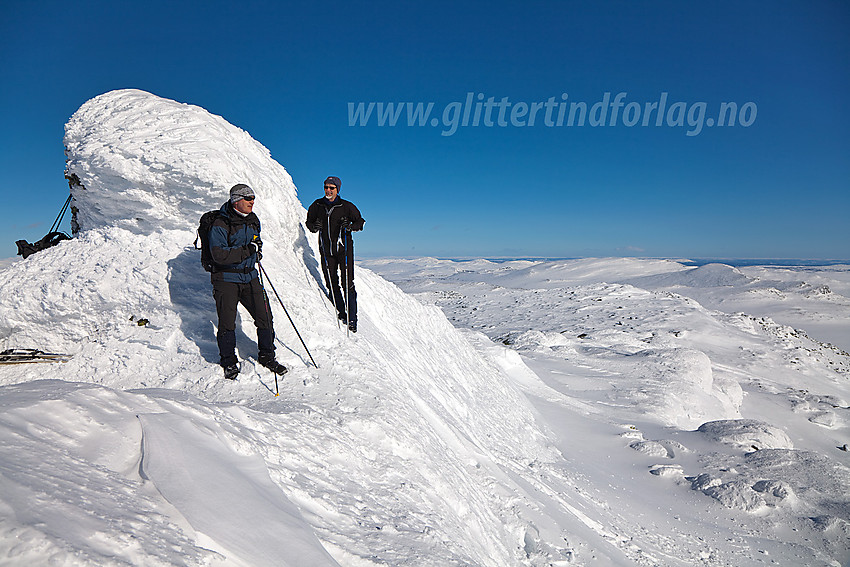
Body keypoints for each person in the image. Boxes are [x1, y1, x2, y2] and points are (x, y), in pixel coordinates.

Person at [208, 183, 287, 379]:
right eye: (248, 198)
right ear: (236, 200)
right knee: (227, 322)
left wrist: (256, 250)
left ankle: (267, 356)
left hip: (250, 276)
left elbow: (255, 242)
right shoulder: (220, 223)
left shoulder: (253, 220)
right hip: (226, 279)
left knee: (265, 316)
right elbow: (219, 255)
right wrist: (248, 250)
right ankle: (228, 361)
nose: (253, 201)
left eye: (253, 198)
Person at [306, 176, 365, 332]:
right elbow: (309, 222)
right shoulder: (317, 205)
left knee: (347, 283)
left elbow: (361, 222)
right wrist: (314, 226)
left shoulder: (346, 206)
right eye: (326, 187)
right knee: (331, 282)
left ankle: (352, 319)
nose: (328, 190)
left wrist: (351, 226)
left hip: (343, 250)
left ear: (337, 189)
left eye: (332, 188)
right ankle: (340, 312)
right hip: (326, 250)